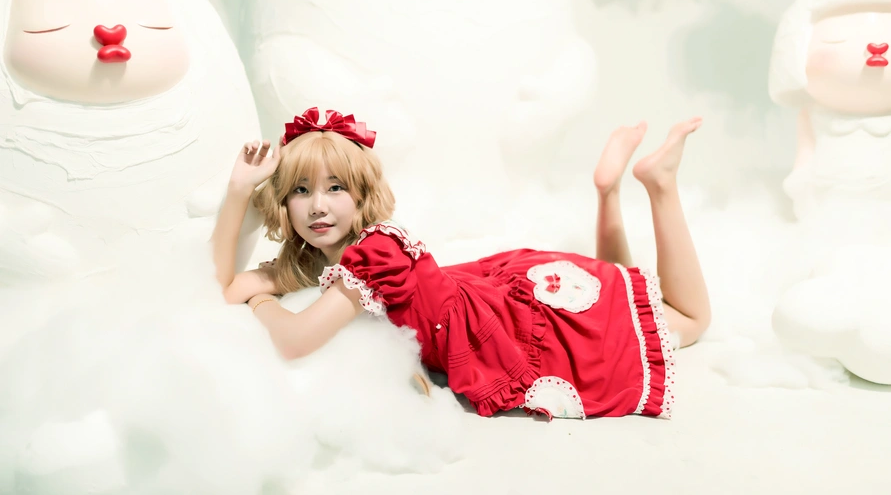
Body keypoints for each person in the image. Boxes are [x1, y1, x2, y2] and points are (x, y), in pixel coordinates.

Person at [211, 107, 711, 420]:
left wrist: (261, 302)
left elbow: (294, 340)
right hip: (487, 297)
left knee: (690, 319)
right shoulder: (315, 258)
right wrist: (238, 191)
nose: (318, 207)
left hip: (504, 329)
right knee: (618, 300)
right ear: (284, 203)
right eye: (301, 191)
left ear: (361, 196)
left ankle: (660, 184)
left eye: (335, 188)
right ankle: (607, 191)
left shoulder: (375, 253)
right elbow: (223, 285)